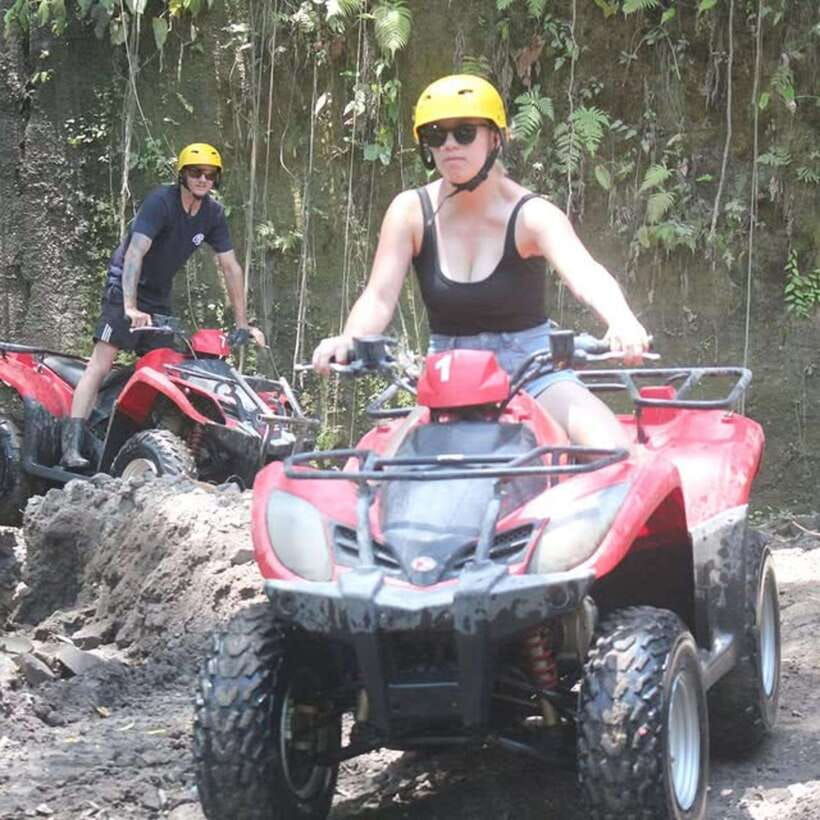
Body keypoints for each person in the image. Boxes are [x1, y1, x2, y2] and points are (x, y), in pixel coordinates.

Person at [312, 74, 649, 449]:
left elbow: (586, 274)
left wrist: (622, 320)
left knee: (610, 449)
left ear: (495, 138)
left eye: (465, 133)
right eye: (436, 135)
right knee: (383, 469)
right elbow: (379, 295)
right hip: (447, 377)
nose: (449, 145)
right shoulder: (410, 211)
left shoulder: (531, 215)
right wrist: (349, 339)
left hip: (533, 369)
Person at [62, 142, 264, 470]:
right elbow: (135, 253)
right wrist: (129, 307)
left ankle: (130, 436)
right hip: (124, 288)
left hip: (158, 295)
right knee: (102, 361)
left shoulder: (212, 214)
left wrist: (242, 323)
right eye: (196, 172)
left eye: (210, 174)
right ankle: (70, 443)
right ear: (182, 175)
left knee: (165, 366)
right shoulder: (161, 202)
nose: (203, 179)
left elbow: (230, 267)